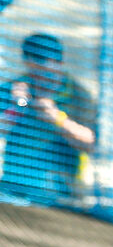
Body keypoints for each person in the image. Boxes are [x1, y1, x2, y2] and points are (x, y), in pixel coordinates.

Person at [1, 34, 98, 205]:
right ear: (27, 63)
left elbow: (91, 144)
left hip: (62, 195)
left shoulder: (79, 96)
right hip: (13, 188)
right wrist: (16, 108)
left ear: (60, 63)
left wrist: (58, 119)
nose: (45, 79)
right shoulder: (14, 89)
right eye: (37, 72)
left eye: (50, 72)